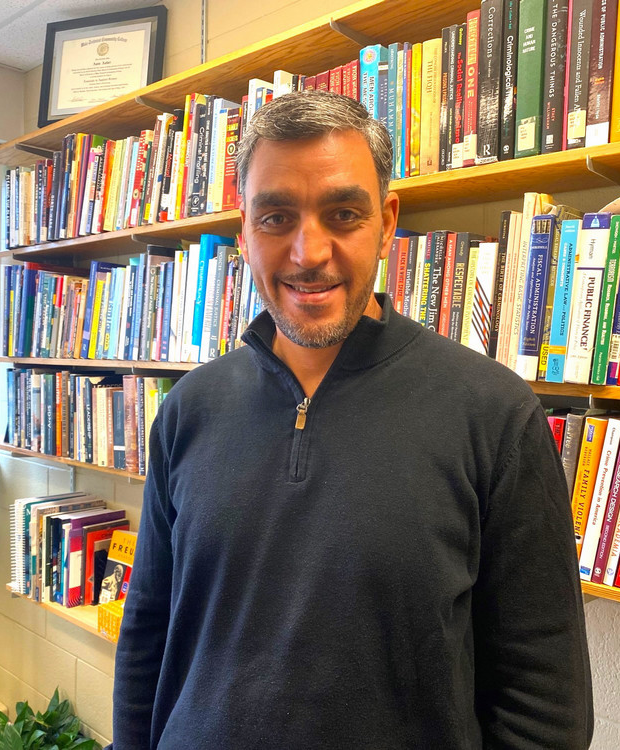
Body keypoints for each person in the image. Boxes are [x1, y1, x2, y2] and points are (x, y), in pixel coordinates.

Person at [110, 89, 593, 749]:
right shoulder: (188, 410)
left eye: (342, 213)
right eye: (276, 217)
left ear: (387, 221)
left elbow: (546, 703)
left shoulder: (495, 415)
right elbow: (149, 636)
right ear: (243, 230)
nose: (308, 253)